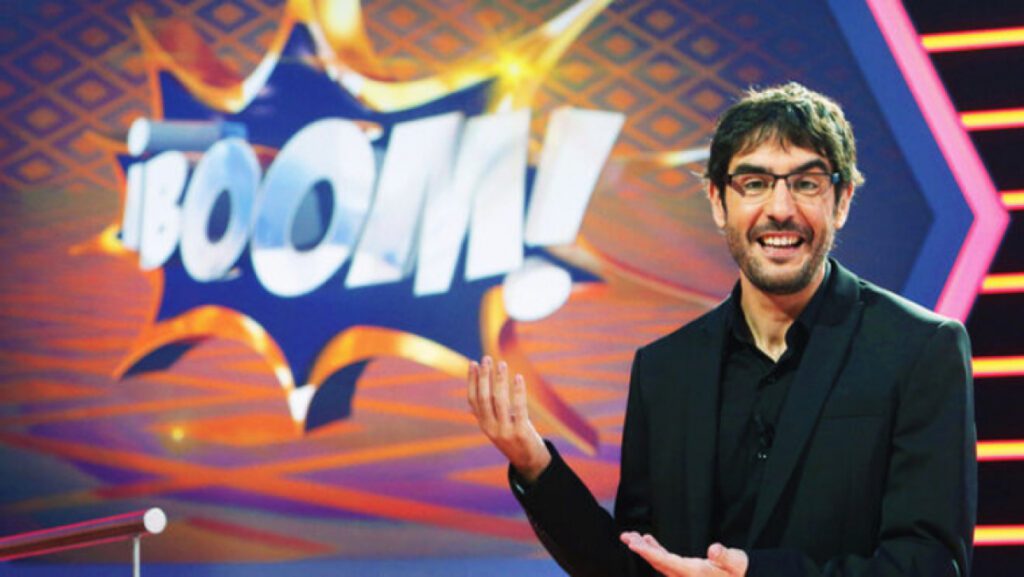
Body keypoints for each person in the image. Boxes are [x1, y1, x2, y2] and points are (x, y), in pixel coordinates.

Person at [466, 82, 976, 577]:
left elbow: (931, 564)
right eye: (754, 184)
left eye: (806, 183)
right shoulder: (665, 370)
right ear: (717, 201)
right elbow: (637, 565)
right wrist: (535, 465)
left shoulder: (919, 350)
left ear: (841, 201)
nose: (780, 209)